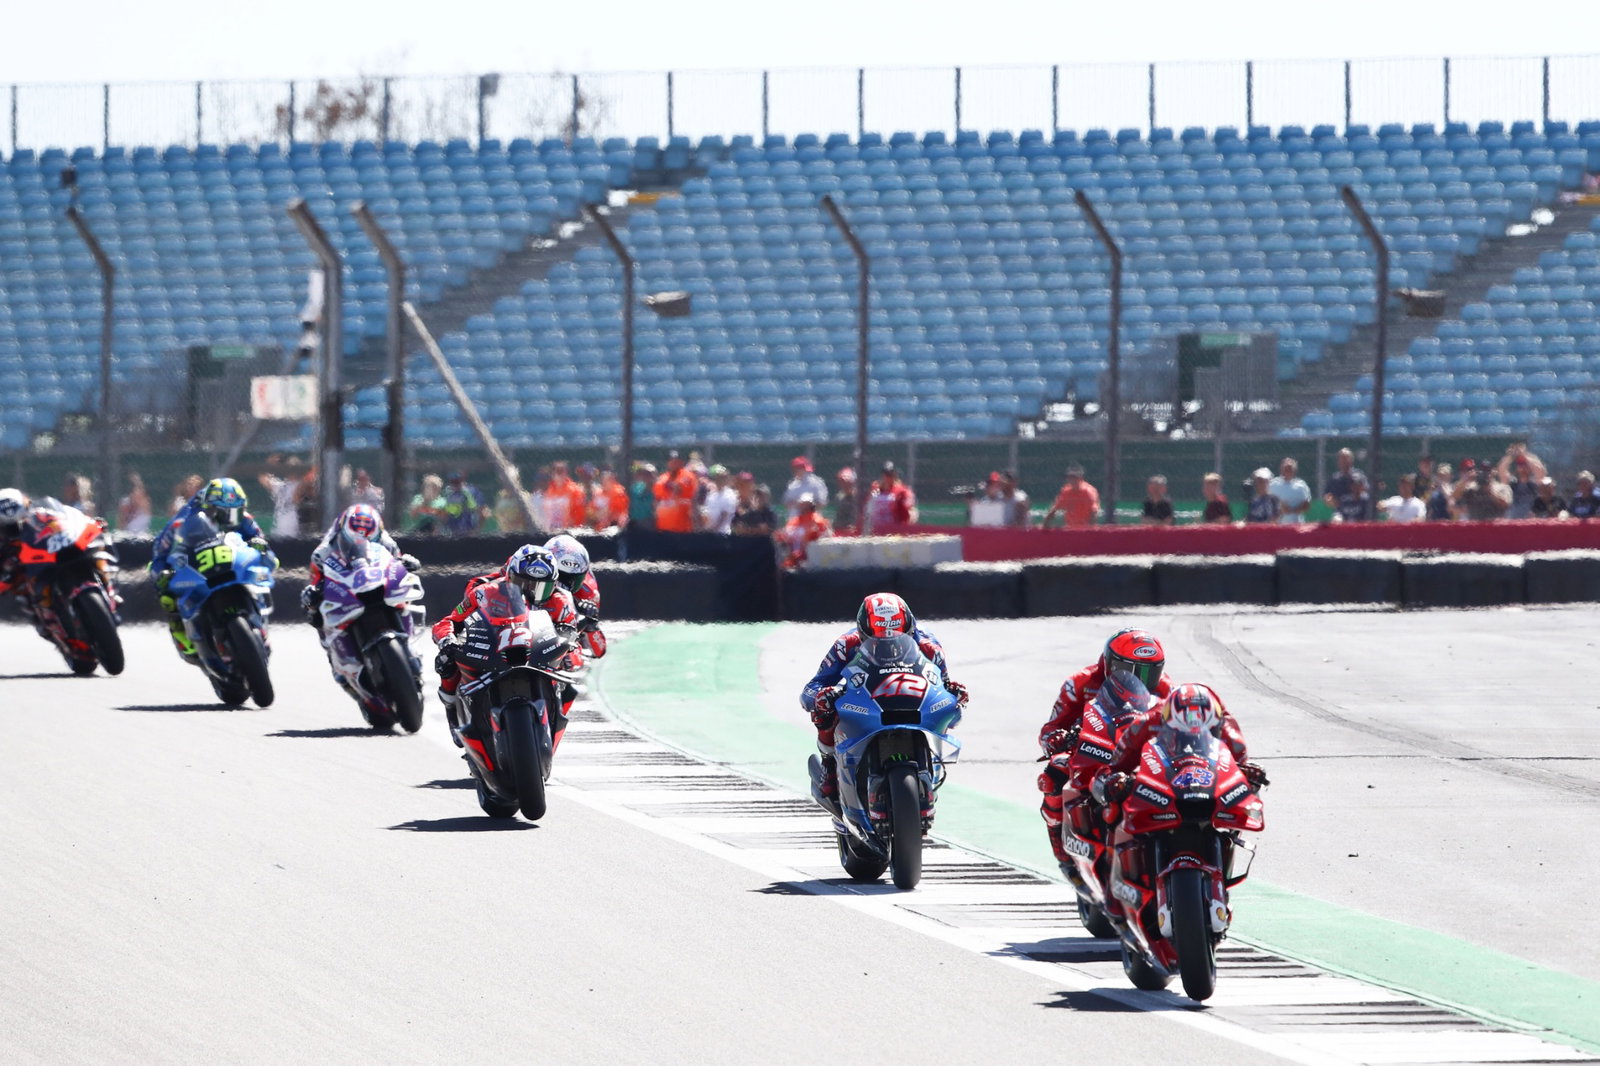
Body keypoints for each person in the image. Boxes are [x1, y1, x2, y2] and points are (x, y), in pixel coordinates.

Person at [800, 593, 969, 801]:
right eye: (878, 639)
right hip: (866, 699)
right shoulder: (845, 645)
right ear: (863, 632)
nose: (889, 642)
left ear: (910, 629)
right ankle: (829, 764)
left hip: (910, 697)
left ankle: (930, 763)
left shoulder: (929, 647)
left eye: (897, 635)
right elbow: (812, 688)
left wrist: (953, 693)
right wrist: (821, 696)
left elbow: (941, 685)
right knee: (824, 709)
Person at [1035, 627, 1172, 865]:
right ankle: (1060, 842)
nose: (1140, 680)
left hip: (1142, 755)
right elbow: (1050, 728)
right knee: (1054, 772)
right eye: (1130, 670)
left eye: (1150, 672)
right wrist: (1058, 739)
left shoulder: (1166, 689)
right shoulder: (1080, 683)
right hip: (1091, 750)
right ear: (1111, 664)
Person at [431, 544, 584, 750]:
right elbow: (449, 621)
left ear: (553, 584)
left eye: (541, 587)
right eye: (523, 585)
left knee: (569, 676)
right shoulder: (484, 593)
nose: (531, 593)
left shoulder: (560, 600)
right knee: (446, 660)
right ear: (509, 578)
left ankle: (553, 724)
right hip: (494, 646)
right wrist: (447, 639)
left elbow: (570, 628)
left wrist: (568, 640)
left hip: (538, 651)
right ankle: (452, 710)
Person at [299, 504, 421, 713]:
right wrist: (312, 595)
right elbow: (314, 581)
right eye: (357, 532)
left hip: (377, 587)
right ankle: (348, 680)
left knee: (405, 600)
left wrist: (405, 563)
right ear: (344, 530)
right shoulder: (324, 551)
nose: (363, 537)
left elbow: (396, 562)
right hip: (347, 594)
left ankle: (409, 648)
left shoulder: (386, 542)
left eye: (368, 533)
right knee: (321, 624)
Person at [150, 478, 277, 662]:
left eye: (236, 513)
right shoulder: (184, 518)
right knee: (166, 593)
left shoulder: (243, 517)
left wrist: (262, 549)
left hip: (232, 561)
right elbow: (160, 552)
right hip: (197, 565)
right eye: (225, 514)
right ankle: (183, 636)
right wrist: (162, 572)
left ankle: (260, 623)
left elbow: (263, 547)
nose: (232, 519)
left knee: (260, 576)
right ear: (210, 509)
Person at [546, 532, 607, 660]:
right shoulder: (533, 574)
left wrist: (590, 624)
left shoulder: (588, 591)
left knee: (572, 659)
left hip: (567, 641)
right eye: (559, 576)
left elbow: (599, 651)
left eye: (569, 579)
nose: (562, 584)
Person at [778, 494, 832, 568]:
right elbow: (785, 536)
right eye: (802, 504)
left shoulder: (819, 521)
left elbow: (827, 538)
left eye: (806, 504)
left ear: (811, 505)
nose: (803, 507)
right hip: (794, 558)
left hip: (813, 558)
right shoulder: (794, 521)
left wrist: (813, 536)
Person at [863, 461, 917, 533]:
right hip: (876, 529)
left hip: (893, 531)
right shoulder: (875, 488)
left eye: (890, 474)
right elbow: (867, 507)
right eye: (885, 474)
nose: (887, 477)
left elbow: (911, 511)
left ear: (895, 475)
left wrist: (906, 528)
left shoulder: (901, 491)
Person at [1497, 443, 1547, 520]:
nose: (1523, 467)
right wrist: (1512, 456)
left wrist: (1524, 455)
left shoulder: (1534, 482)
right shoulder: (1512, 482)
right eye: (1520, 465)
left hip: (1530, 518)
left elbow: (1541, 470)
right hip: (1513, 518)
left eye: (1525, 465)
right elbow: (1501, 470)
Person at [652, 451, 699, 533]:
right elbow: (657, 498)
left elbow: (682, 492)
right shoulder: (662, 478)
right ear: (668, 463)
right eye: (672, 461)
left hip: (682, 526)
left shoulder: (688, 476)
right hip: (663, 525)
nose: (674, 463)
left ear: (682, 462)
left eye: (677, 461)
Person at [1042, 463, 1100, 528]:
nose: (1072, 479)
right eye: (1069, 477)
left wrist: (1089, 530)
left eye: (1074, 477)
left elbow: (1093, 512)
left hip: (1085, 530)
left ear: (1081, 477)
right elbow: (1054, 508)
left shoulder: (1088, 492)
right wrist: (1045, 524)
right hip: (1071, 529)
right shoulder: (1066, 492)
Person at [259, 456, 304, 536]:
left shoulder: (302, 486)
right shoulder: (281, 486)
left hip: (296, 536)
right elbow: (263, 479)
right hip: (279, 534)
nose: (289, 470)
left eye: (292, 467)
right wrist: (268, 465)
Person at [1322, 448, 1371, 522]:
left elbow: (1366, 491)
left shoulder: (1359, 476)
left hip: (1360, 510)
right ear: (1338, 461)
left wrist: (1358, 492)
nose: (1344, 461)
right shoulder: (1335, 479)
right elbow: (1327, 497)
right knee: (1336, 520)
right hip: (1341, 512)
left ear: (1351, 460)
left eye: (1346, 458)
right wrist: (1331, 501)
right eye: (1341, 459)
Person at [544, 460, 587, 530]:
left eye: (561, 471)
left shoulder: (574, 490)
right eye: (555, 470)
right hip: (551, 531)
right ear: (552, 473)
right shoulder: (549, 491)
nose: (558, 473)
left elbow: (580, 516)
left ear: (566, 472)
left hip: (569, 531)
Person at [782, 456, 829, 521]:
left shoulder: (816, 483)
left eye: (799, 468)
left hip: (812, 522)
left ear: (805, 469)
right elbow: (786, 503)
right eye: (795, 469)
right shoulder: (792, 485)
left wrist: (807, 505)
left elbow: (822, 503)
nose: (796, 471)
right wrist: (797, 504)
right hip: (794, 521)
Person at [1267, 458, 1311, 524]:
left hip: (1297, 525)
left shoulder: (1302, 485)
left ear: (1294, 470)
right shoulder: (1273, 484)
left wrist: (1296, 509)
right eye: (1285, 468)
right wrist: (1280, 508)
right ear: (1281, 469)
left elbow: (1307, 505)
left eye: (1290, 468)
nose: (1287, 470)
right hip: (1278, 526)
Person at [590, 465, 630, 530]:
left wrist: (605, 514)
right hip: (599, 526)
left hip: (614, 526)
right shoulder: (599, 494)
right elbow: (591, 511)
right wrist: (595, 515)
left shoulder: (619, 493)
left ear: (613, 481)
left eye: (607, 480)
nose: (604, 482)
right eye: (603, 480)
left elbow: (618, 513)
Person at [701, 464, 739, 534]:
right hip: (710, 533)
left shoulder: (730, 494)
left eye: (723, 477)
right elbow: (706, 515)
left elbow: (724, 516)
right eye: (717, 477)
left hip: (723, 534)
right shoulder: (711, 495)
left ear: (727, 479)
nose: (719, 480)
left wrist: (712, 531)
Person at [629, 462, 657, 529]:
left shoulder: (658, 490)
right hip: (633, 523)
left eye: (648, 474)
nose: (645, 477)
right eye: (642, 474)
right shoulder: (635, 488)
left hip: (650, 523)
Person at [833, 467, 859, 535]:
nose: (844, 485)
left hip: (853, 533)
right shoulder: (839, 497)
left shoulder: (858, 498)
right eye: (841, 482)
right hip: (839, 531)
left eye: (846, 482)